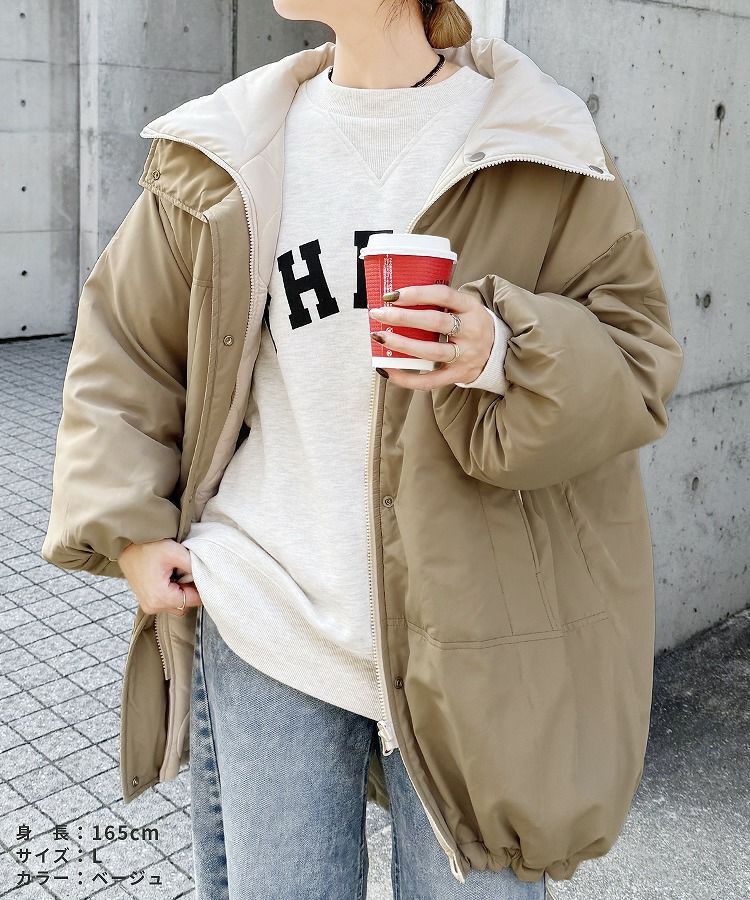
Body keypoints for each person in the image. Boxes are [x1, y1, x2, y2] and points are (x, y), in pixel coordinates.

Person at [41, 1, 685, 898]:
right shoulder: (232, 145)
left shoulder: (539, 141)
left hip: (479, 637)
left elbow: (637, 358)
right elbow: (127, 342)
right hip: (266, 614)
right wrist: (132, 532)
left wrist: (501, 350)